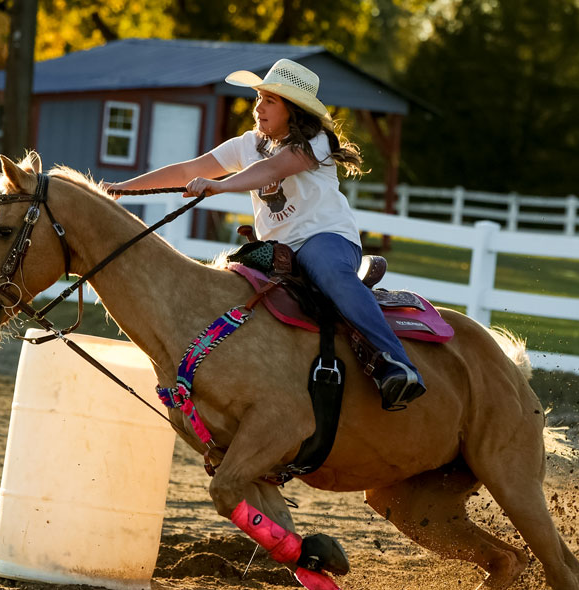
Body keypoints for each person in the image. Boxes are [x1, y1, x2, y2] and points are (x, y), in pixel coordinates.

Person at [105, 59, 425, 410]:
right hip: (278, 249)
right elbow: (189, 169)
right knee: (232, 288)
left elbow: (271, 168)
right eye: (258, 98)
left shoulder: (315, 142)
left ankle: (397, 364)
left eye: (269, 101)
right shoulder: (247, 144)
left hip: (326, 238)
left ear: (293, 110)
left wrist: (219, 185)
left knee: (331, 273)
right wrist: (124, 189)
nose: (258, 108)